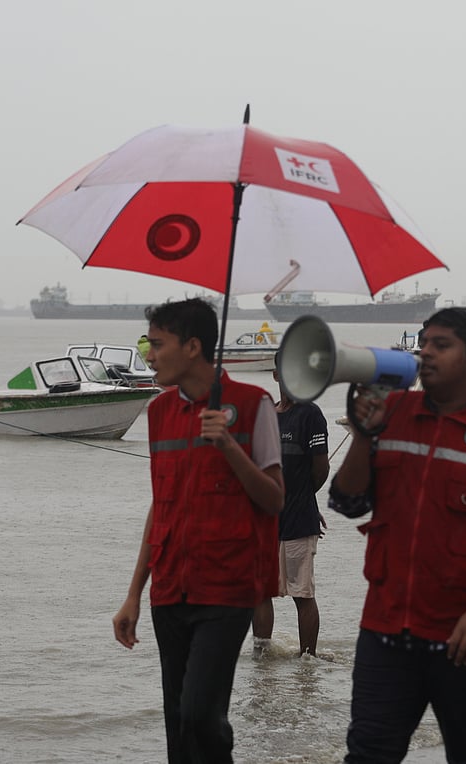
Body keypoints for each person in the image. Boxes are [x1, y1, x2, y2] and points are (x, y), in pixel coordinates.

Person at [328, 307, 466, 763]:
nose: (425, 352)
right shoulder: (390, 413)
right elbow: (347, 502)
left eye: (441, 345)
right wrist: (364, 434)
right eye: (423, 342)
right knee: (367, 754)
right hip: (386, 629)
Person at [112, 297, 284, 763]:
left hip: (227, 589)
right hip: (169, 591)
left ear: (192, 347)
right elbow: (160, 507)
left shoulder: (253, 405)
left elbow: (274, 499)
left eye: (157, 344)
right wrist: (133, 594)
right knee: (178, 723)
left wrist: (227, 444)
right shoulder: (159, 411)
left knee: (200, 714)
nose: (149, 356)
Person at [251, 360, 331, 657]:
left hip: (299, 521)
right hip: (265, 522)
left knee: (302, 594)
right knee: (261, 592)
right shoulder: (267, 415)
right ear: (275, 375)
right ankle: (261, 656)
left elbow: (320, 469)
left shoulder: (310, 414)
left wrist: (303, 499)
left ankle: (307, 661)